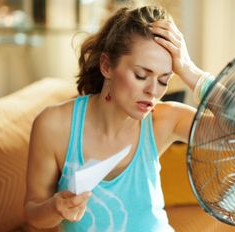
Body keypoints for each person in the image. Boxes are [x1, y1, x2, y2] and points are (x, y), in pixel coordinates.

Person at [24, 5, 215, 232]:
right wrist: (56, 208)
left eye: (164, 80)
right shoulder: (54, 126)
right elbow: (33, 218)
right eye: (141, 75)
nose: (153, 90)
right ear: (107, 66)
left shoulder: (162, 121)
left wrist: (192, 72)